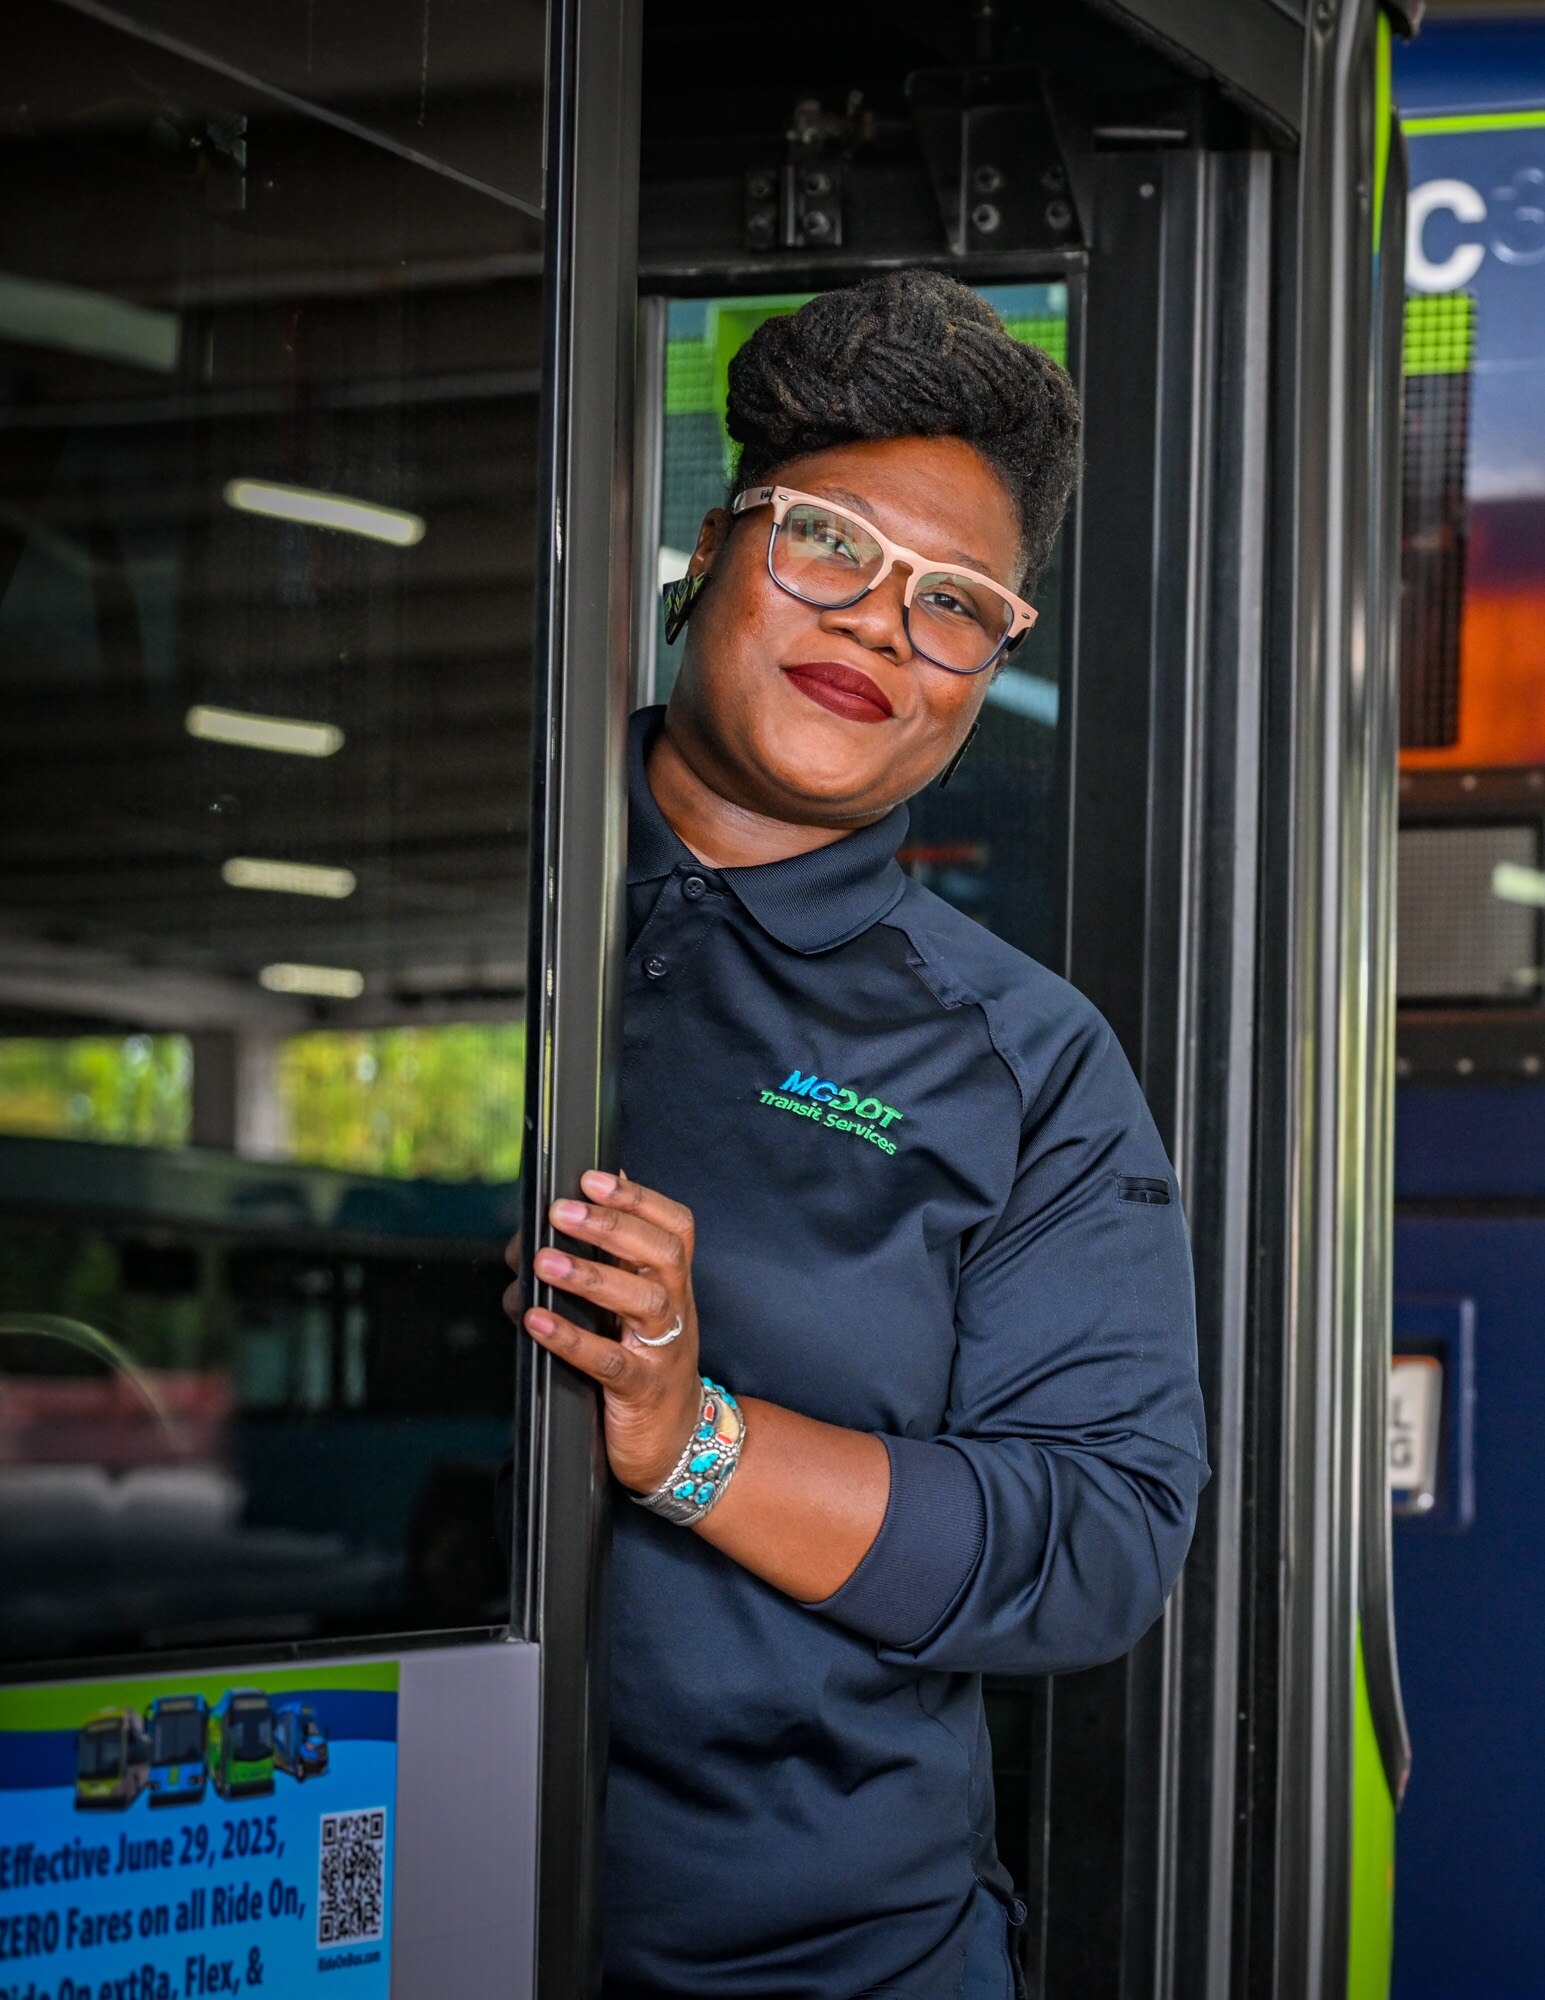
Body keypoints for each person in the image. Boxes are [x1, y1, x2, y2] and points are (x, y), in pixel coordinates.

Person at [512, 272, 1205, 1998]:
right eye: (830, 543)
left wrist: (696, 1442)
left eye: (956, 602)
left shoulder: (1021, 1062)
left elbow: (1105, 1529)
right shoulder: (470, 887)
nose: (886, 624)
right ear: (709, 552)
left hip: (825, 1963)